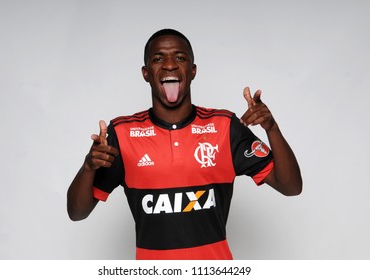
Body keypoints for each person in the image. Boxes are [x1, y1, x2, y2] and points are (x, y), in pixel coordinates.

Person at [67, 28, 302, 260]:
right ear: (146, 73)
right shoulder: (122, 132)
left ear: (192, 70)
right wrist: (88, 167)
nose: (169, 64)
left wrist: (271, 128)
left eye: (180, 57)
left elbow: (291, 186)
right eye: (158, 58)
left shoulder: (224, 127)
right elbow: (76, 212)